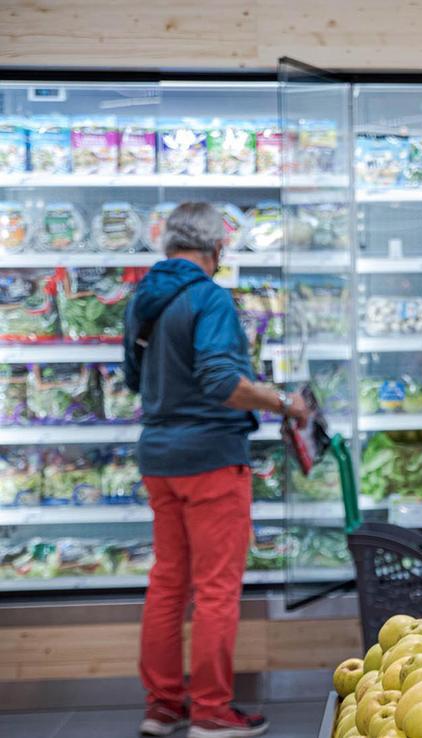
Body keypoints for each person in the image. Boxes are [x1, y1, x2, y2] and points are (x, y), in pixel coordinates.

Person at [124, 202, 310, 738]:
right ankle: (210, 710)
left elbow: (135, 379)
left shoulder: (143, 298)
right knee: (214, 589)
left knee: (167, 585)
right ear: (218, 249)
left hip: (159, 457)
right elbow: (221, 381)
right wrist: (284, 403)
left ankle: (162, 706)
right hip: (210, 460)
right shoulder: (209, 298)